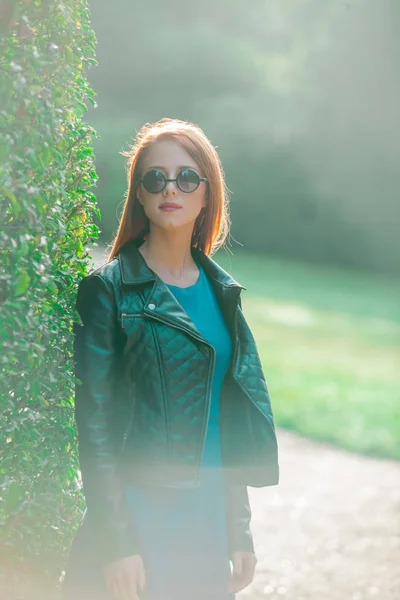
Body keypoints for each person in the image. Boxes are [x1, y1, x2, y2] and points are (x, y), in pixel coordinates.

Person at [63, 118, 279, 600]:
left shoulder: (222, 291)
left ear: (207, 193)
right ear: (138, 193)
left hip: (204, 520)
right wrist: (115, 542)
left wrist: (238, 526)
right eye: (154, 178)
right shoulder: (108, 290)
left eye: (186, 177)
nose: (170, 189)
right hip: (139, 514)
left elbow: (222, 415)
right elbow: (93, 427)